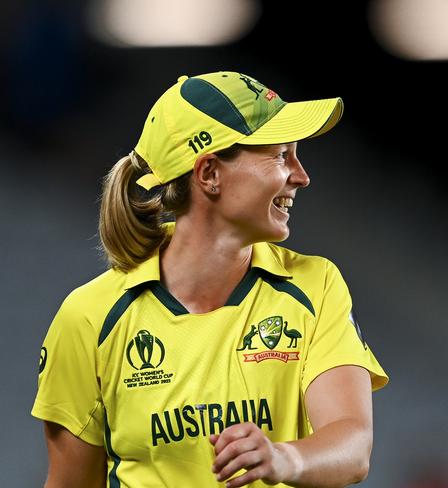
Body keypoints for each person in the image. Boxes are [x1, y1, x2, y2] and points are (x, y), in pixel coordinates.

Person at [31, 71, 388, 487]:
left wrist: (283, 457)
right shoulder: (89, 318)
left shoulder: (316, 285)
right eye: (280, 156)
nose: (301, 175)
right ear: (209, 174)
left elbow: (353, 444)